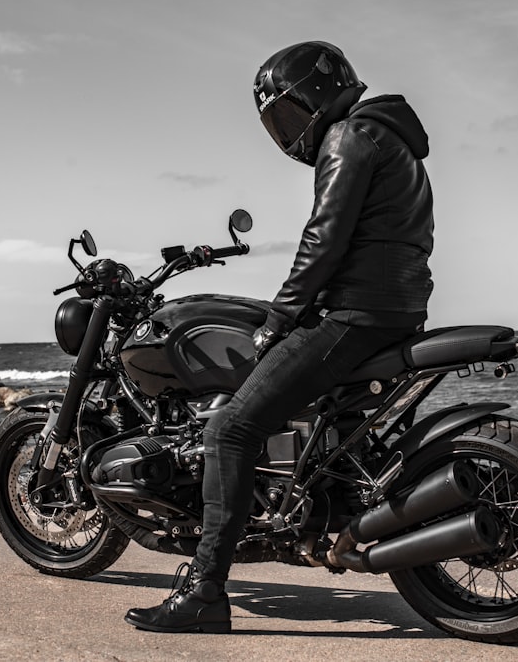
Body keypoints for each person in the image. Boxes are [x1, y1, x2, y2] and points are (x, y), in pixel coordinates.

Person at [125, 40, 435, 633]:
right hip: (395, 309)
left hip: (351, 314)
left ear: (313, 95)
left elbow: (323, 241)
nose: (288, 128)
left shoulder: (348, 136)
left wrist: (280, 318)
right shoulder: (391, 138)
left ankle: (205, 593)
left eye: (288, 111)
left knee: (229, 429)